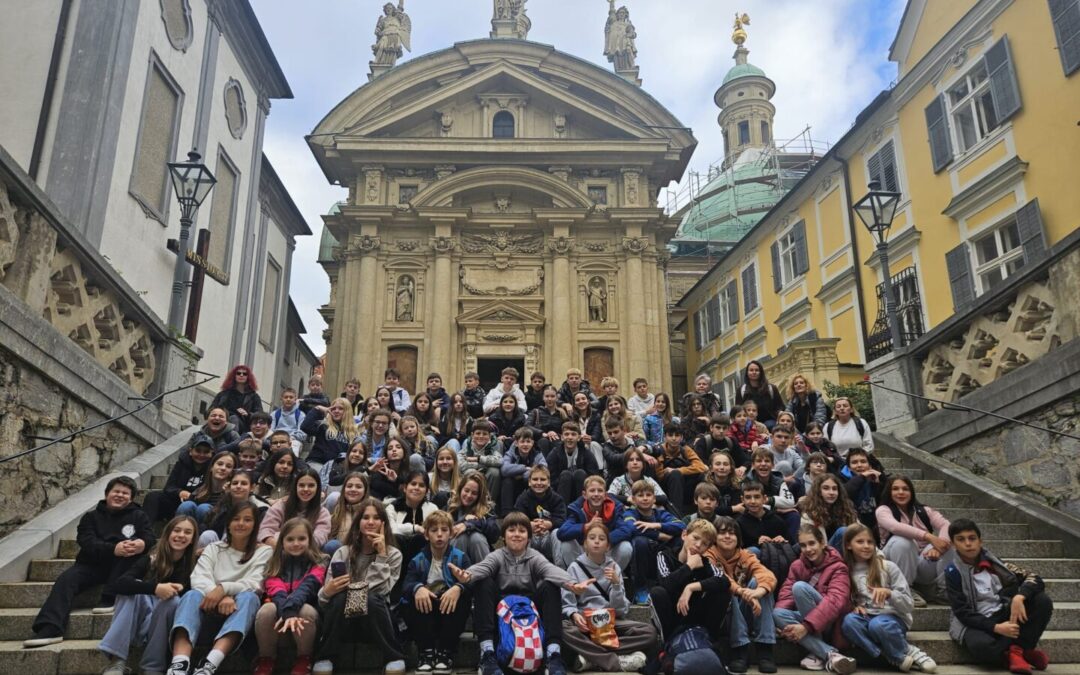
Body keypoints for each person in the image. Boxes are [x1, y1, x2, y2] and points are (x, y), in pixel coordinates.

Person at [448, 512, 597, 675]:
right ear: (504, 537)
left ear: (529, 537)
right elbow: (483, 567)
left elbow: (550, 569)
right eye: (511, 530)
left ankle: (553, 655)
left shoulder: (534, 557)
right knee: (483, 583)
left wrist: (572, 584)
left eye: (522, 531)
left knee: (550, 585)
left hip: (528, 611)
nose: (517, 534)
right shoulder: (497, 556)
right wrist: (467, 575)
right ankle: (487, 654)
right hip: (502, 613)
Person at [24, 477, 154, 648]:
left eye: (125, 493)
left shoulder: (139, 516)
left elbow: (149, 536)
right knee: (66, 579)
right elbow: (86, 541)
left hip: (122, 567)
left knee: (132, 552)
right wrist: (113, 549)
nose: (120, 495)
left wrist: (142, 544)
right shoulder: (91, 517)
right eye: (116, 491)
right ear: (107, 494)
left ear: (131, 498)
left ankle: (110, 596)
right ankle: (50, 627)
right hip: (92, 565)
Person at [168, 501, 272, 675]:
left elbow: (256, 583)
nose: (241, 523)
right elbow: (198, 577)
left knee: (249, 597)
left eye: (247, 520)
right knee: (192, 595)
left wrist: (223, 588)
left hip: (239, 617)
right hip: (205, 612)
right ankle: (179, 664)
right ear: (228, 523)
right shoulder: (213, 548)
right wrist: (219, 595)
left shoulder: (264, 551)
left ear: (255, 525)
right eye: (236, 519)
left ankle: (209, 664)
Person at [945, 518, 1053, 673]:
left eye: (972, 538)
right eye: (961, 539)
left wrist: (1019, 597)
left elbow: (1035, 578)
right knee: (983, 647)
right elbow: (962, 612)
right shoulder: (952, 572)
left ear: (980, 541)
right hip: (974, 622)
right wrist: (996, 628)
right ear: (953, 544)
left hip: (1002, 613)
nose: (968, 543)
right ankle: (1020, 653)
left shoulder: (997, 564)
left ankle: (1017, 650)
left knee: (1042, 601)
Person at [95, 515, 198, 674]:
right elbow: (120, 584)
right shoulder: (151, 558)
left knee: (172, 601)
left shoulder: (195, 564)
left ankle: (152, 668)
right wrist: (155, 588)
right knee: (131, 590)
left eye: (187, 532)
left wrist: (180, 590)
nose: (181, 535)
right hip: (143, 623)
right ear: (168, 534)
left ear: (192, 539)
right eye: (176, 530)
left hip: (171, 629)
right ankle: (117, 661)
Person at [314, 498, 405, 675]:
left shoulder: (393, 555)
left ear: (384, 523)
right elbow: (324, 601)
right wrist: (327, 592)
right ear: (358, 522)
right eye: (365, 517)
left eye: (376, 518)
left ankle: (393, 656)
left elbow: (381, 592)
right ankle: (325, 656)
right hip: (344, 621)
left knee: (371, 599)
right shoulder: (343, 552)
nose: (371, 522)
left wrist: (381, 556)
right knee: (339, 598)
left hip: (375, 621)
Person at [840, 523, 937, 674]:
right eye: (860, 541)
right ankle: (890, 656)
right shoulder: (846, 571)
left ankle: (907, 651)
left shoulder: (888, 567)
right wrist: (853, 606)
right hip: (866, 618)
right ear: (848, 545)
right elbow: (843, 599)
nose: (866, 546)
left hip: (892, 619)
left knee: (878, 624)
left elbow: (908, 604)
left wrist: (890, 593)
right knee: (849, 622)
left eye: (870, 542)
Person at [560, 521, 655, 672]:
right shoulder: (574, 568)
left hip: (610, 620)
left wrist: (616, 585)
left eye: (601, 538)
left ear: (608, 546)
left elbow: (621, 610)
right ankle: (615, 661)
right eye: (592, 538)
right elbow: (568, 604)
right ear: (585, 544)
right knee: (563, 628)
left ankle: (591, 657)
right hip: (586, 621)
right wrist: (574, 614)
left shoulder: (614, 567)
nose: (597, 541)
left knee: (649, 632)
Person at [774, 524, 857, 674]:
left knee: (800, 587)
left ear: (822, 543)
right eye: (803, 545)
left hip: (830, 621)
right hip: (810, 620)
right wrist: (780, 625)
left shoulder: (839, 567)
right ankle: (829, 654)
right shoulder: (797, 566)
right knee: (778, 613)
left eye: (812, 543)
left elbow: (835, 602)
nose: (808, 549)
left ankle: (818, 652)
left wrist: (805, 627)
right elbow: (786, 595)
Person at [401, 510, 472, 674]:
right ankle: (426, 653)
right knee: (415, 596)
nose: (439, 534)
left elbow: (472, 583)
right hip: (426, 615)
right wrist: (417, 588)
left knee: (462, 598)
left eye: (444, 530)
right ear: (426, 535)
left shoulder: (460, 557)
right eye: (434, 530)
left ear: (451, 533)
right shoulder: (417, 560)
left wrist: (459, 587)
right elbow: (406, 585)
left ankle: (445, 654)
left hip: (450, 614)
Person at [253, 518, 328, 675]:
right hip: (279, 623)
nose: (296, 543)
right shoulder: (273, 562)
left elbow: (307, 588)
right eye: (290, 539)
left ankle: (304, 658)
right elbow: (276, 591)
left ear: (310, 540)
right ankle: (266, 659)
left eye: (301, 539)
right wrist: (287, 613)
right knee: (267, 609)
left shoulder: (320, 560)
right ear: (282, 542)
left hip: (307, 624)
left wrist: (291, 611)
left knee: (305, 610)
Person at [707, 516, 778, 674]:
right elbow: (721, 578)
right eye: (722, 533)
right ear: (714, 537)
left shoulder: (745, 555)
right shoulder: (708, 555)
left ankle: (765, 648)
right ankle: (740, 649)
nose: (727, 536)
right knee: (726, 588)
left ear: (738, 537)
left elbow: (767, 575)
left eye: (732, 533)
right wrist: (742, 591)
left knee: (760, 583)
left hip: (748, 611)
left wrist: (758, 592)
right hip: (723, 618)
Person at [877, 475, 953, 608]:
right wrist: (929, 537)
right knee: (903, 541)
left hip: (921, 562)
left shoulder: (924, 511)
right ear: (889, 492)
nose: (901, 492)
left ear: (911, 492)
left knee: (948, 545)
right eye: (895, 489)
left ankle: (944, 591)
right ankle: (904, 589)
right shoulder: (883, 510)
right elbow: (895, 527)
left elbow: (946, 525)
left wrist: (938, 547)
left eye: (905, 489)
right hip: (893, 562)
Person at [650, 519, 730, 646]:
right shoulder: (665, 555)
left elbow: (724, 580)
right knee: (657, 592)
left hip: (694, 614)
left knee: (722, 592)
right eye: (695, 538)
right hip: (671, 613)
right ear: (684, 535)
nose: (698, 545)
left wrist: (691, 587)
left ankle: (709, 640)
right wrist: (689, 566)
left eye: (704, 544)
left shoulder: (704, 562)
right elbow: (666, 582)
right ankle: (667, 643)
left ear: (707, 548)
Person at [557, 475, 634, 569]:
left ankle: (612, 575)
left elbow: (626, 529)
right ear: (584, 495)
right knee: (566, 544)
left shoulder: (615, 507)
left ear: (605, 495)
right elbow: (561, 532)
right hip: (584, 551)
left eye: (600, 491)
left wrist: (604, 540)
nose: (596, 494)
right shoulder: (577, 508)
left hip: (606, 550)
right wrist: (586, 526)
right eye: (592, 490)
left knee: (626, 547)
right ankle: (579, 574)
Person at [626, 479, 685, 604]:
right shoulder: (630, 513)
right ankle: (640, 588)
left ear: (654, 499)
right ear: (633, 499)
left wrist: (657, 525)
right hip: (640, 559)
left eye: (648, 495)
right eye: (640, 495)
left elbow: (681, 526)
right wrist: (659, 535)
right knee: (640, 541)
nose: (645, 498)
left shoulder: (661, 514)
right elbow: (631, 528)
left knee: (679, 539)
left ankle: (673, 581)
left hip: (659, 555)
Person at [143, 433, 214, 522]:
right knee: (153, 497)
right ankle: (145, 528)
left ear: (212, 453)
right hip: (176, 502)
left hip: (199, 505)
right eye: (198, 450)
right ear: (190, 451)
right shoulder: (181, 464)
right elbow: (169, 487)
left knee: (190, 506)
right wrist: (179, 492)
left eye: (206, 452)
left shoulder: (214, 468)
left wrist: (194, 496)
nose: (201, 454)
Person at [258, 468, 332, 549]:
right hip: (277, 549)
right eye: (301, 485)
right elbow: (265, 530)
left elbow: (320, 537)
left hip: (307, 551)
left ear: (317, 488)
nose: (306, 489)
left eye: (311, 485)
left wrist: (296, 547)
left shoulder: (323, 513)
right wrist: (281, 547)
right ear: (295, 487)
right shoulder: (281, 506)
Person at [512, 465, 566, 561]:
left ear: (549, 482)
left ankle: (559, 567)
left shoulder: (557, 499)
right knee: (522, 531)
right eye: (535, 479)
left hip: (549, 540)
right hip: (531, 539)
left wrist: (549, 524)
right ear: (529, 482)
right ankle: (523, 565)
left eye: (543, 479)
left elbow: (562, 519)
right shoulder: (522, 499)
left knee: (557, 532)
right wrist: (529, 525)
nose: (539, 483)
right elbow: (516, 518)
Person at [199, 470, 264, 549]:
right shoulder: (223, 505)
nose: (238, 486)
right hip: (217, 547)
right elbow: (207, 525)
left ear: (252, 487)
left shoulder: (260, 508)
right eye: (235, 483)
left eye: (243, 483)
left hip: (246, 547)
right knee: (207, 535)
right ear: (229, 486)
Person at [749, 447, 801, 543]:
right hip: (756, 517)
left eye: (767, 461)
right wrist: (778, 509)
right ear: (753, 465)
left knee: (793, 515)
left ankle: (792, 546)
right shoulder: (747, 482)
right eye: (759, 461)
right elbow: (752, 505)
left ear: (773, 465)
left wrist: (769, 500)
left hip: (774, 514)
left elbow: (790, 502)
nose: (763, 464)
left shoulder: (779, 480)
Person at [387, 470, 440, 566]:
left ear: (427, 491)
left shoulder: (432, 509)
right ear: (405, 488)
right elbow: (390, 529)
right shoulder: (392, 507)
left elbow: (436, 533)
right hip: (396, 555)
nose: (417, 488)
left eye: (421, 485)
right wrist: (415, 528)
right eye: (413, 484)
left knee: (420, 539)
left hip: (424, 558)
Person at [447, 470, 499, 563]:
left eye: (474, 493)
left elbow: (494, 534)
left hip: (478, 553)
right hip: (456, 549)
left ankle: (484, 571)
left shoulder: (487, 510)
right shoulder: (451, 506)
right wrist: (463, 520)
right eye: (466, 490)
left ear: (479, 496)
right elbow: (445, 530)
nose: (469, 495)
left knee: (476, 537)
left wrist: (470, 524)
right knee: (461, 537)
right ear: (460, 489)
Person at [654, 422, 707, 513]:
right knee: (675, 475)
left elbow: (701, 467)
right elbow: (659, 475)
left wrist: (678, 470)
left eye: (677, 435)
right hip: (666, 488)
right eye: (670, 435)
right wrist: (672, 472)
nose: (674, 438)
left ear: (681, 437)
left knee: (701, 476)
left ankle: (701, 507)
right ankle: (676, 513)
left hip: (684, 486)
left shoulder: (685, 449)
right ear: (665, 437)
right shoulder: (659, 450)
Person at [546, 422, 602, 506]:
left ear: (579, 438)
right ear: (562, 437)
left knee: (580, 473)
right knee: (566, 474)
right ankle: (562, 509)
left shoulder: (586, 453)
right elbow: (550, 479)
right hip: (561, 491)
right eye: (566, 434)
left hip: (581, 491)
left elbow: (593, 476)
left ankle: (582, 508)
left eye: (573, 434)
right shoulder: (555, 453)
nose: (570, 437)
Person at [176, 451, 237, 526]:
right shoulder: (199, 491)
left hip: (216, 529)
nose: (223, 468)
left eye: (228, 466)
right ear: (211, 467)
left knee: (204, 508)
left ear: (232, 472)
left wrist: (227, 495)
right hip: (192, 528)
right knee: (187, 505)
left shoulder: (233, 492)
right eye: (220, 464)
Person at [801, 473, 859, 550]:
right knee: (842, 531)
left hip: (848, 551)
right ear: (818, 491)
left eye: (834, 489)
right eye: (826, 488)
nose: (831, 493)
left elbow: (861, 531)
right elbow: (809, 542)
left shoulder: (846, 509)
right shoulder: (809, 514)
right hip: (824, 553)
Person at [500, 425, 547, 515]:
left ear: (532, 443)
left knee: (535, 481)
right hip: (513, 487)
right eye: (522, 442)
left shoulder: (537, 454)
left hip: (528, 486)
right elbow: (504, 470)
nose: (525, 444)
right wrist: (524, 468)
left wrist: (522, 475)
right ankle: (506, 513)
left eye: (528, 442)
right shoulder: (510, 453)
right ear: (516, 443)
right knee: (507, 481)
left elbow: (543, 470)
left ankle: (530, 513)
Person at [301, 398, 359, 469]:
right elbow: (305, 427)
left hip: (338, 467)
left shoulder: (353, 434)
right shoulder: (323, 425)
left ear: (348, 412)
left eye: (340, 409)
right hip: (317, 462)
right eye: (333, 409)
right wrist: (318, 408)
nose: (336, 411)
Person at [843, 448, 888, 537]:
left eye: (863, 462)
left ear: (870, 465)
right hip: (853, 526)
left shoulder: (876, 480)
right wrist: (862, 477)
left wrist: (881, 480)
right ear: (849, 468)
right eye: (854, 462)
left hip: (875, 526)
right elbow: (845, 492)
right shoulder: (842, 479)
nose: (859, 465)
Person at [736, 481, 791, 556]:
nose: (753, 501)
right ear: (742, 500)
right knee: (754, 550)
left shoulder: (777, 520)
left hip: (776, 558)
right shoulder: (739, 523)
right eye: (748, 497)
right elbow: (738, 549)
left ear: (764, 499)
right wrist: (758, 544)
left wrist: (783, 541)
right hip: (753, 559)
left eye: (757, 497)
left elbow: (791, 544)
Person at [458, 419, 503, 504]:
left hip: (487, 478)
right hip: (470, 479)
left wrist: (478, 459)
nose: (481, 436)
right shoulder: (467, 447)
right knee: (470, 471)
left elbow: (500, 461)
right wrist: (481, 466)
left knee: (495, 472)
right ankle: (470, 502)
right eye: (478, 433)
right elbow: (460, 464)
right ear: (472, 435)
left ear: (489, 436)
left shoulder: (492, 448)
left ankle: (488, 503)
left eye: (484, 434)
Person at [210, 365, 263, 434]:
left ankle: (233, 438)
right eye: (238, 373)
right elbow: (211, 409)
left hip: (244, 426)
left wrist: (247, 414)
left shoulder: (254, 396)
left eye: (244, 374)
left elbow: (260, 415)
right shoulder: (223, 394)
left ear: (248, 377)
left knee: (234, 418)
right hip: (222, 421)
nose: (241, 375)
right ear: (234, 376)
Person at [324, 472, 369, 555]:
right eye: (349, 486)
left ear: (365, 491)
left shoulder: (370, 512)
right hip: (338, 555)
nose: (353, 489)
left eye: (358, 487)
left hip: (360, 554)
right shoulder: (336, 510)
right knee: (332, 545)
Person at [735, 361, 785, 430]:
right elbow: (738, 409)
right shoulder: (741, 390)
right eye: (751, 370)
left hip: (770, 422)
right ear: (747, 373)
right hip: (748, 423)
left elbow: (779, 406)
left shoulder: (771, 388)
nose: (754, 372)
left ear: (761, 372)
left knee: (770, 425)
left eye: (757, 370)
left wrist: (780, 413)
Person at [320, 440, 368, 510]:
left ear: (364, 457)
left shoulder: (366, 471)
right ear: (348, 453)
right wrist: (359, 469)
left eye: (361, 453)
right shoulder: (338, 464)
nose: (357, 454)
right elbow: (333, 482)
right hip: (334, 503)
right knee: (334, 496)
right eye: (354, 451)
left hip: (357, 505)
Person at [528, 384, 569, 453]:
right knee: (543, 441)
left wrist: (555, 434)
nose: (549, 399)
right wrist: (542, 433)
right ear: (543, 397)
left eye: (552, 396)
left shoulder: (562, 413)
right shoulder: (536, 412)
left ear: (557, 398)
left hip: (557, 442)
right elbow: (527, 426)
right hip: (540, 443)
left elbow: (568, 429)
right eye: (547, 396)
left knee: (556, 441)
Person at [703, 450, 745, 518]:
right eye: (718, 464)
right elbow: (708, 509)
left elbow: (739, 508)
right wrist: (732, 509)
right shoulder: (704, 486)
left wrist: (734, 509)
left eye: (725, 464)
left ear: (731, 469)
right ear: (711, 468)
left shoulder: (737, 485)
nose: (722, 467)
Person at [369, 437, 409, 502]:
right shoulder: (379, 471)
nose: (394, 450)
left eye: (398, 447)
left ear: (404, 452)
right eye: (390, 448)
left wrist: (396, 480)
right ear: (386, 454)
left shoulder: (409, 474)